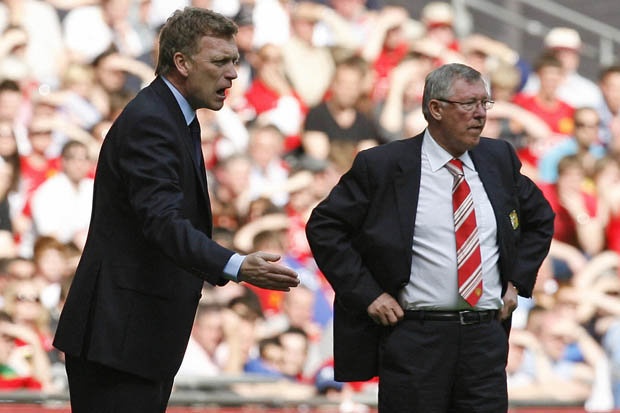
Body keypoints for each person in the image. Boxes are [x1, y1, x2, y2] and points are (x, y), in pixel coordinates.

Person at [52, 8, 299, 413]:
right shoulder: (152, 121)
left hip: (136, 338)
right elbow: (162, 222)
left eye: (235, 61)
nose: (233, 74)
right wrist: (235, 264)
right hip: (118, 341)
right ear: (182, 63)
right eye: (220, 61)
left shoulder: (173, 116)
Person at [305, 63, 555, 412]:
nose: (481, 114)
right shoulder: (383, 164)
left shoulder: (498, 157)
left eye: (485, 103)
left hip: (485, 338)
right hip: (415, 337)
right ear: (435, 108)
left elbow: (541, 218)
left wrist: (516, 281)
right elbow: (324, 226)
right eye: (468, 104)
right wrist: (368, 294)